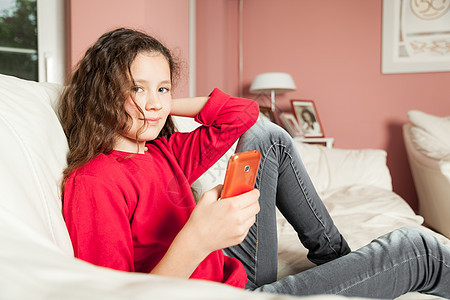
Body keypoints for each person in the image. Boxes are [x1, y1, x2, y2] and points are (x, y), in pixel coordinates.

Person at [59, 28, 450, 298]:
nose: (155, 101)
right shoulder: (94, 183)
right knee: (419, 249)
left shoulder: (162, 151)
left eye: (162, 87)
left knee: (268, 136)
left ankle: (336, 260)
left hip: (233, 272)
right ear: (103, 93)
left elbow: (243, 114)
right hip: (218, 294)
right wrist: (198, 239)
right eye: (135, 88)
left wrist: (157, 107)